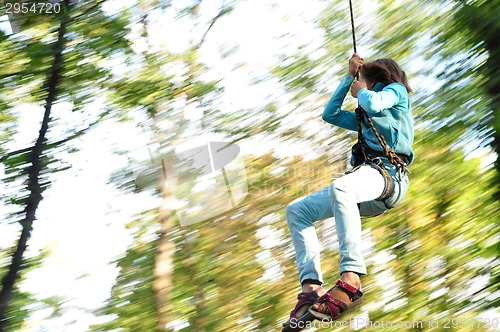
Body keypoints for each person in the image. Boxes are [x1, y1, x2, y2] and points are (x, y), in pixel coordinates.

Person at [282, 54, 414, 331]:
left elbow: (376, 102)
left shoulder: (395, 93)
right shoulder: (366, 115)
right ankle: (310, 288)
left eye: (363, 80)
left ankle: (351, 278)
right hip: (366, 185)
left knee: (340, 186)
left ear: (376, 80)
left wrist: (361, 90)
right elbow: (329, 114)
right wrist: (347, 79)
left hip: (388, 176)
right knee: (298, 210)